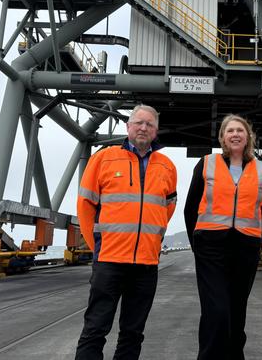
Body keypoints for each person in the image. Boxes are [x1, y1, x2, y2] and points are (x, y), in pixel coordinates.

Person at [75, 104, 178, 360]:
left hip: (145, 264)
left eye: (150, 125)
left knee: (133, 332)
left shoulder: (167, 166)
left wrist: (152, 241)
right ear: (128, 126)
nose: (144, 128)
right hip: (109, 260)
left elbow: (168, 207)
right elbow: (85, 206)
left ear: (156, 132)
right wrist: (97, 246)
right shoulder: (104, 158)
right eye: (139, 123)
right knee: (95, 328)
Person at [184, 114, 262, 360]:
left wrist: (257, 242)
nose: (235, 134)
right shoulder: (206, 163)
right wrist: (197, 244)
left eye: (240, 130)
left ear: (248, 137)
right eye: (230, 131)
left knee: (237, 309)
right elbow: (190, 207)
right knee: (217, 309)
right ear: (222, 137)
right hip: (211, 247)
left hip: (246, 247)